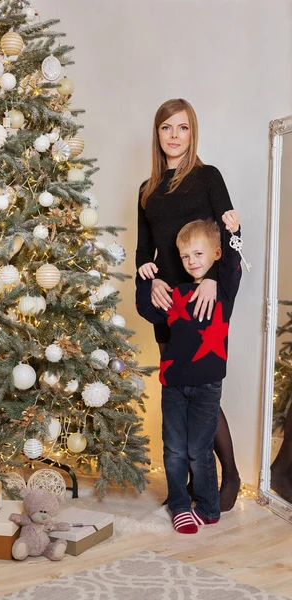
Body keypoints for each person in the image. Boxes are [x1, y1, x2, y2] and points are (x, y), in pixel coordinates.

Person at [136, 98, 241, 511]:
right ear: (157, 134)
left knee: (203, 389)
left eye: (182, 128)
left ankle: (228, 473)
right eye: (166, 128)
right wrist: (153, 277)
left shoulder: (208, 177)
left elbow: (229, 234)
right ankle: (186, 490)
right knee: (178, 391)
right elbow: (145, 250)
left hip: (202, 297)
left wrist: (213, 280)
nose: (174, 136)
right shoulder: (147, 190)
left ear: (192, 132)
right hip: (168, 302)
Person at [136, 214, 242, 533]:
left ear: (215, 254)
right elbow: (146, 309)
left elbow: (233, 261)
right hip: (173, 387)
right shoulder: (177, 294)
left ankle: (209, 508)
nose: (191, 261)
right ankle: (181, 506)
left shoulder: (222, 290)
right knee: (175, 451)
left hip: (207, 386)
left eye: (198, 254)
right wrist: (146, 280)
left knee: (200, 450)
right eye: (186, 256)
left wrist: (233, 231)